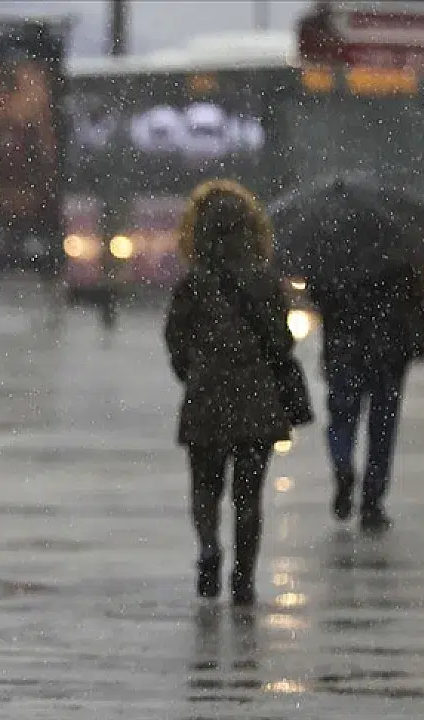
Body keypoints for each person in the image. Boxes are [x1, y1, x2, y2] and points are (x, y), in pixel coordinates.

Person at [164, 179, 302, 607]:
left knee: (205, 486)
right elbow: (282, 341)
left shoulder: (194, 283)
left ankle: (208, 545)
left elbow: (175, 338)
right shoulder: (265, 281)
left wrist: (193, 370)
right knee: (249, 494)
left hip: (206, 396)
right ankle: (243, 579)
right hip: (256, 400)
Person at [309, 259, 424, 533]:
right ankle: (372, 501)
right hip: (390, 349)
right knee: (382, 426)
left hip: (344, 346)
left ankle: (343, 464)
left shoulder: (333, 244)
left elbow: (317, 292)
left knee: (342, 416)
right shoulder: (401, 249)